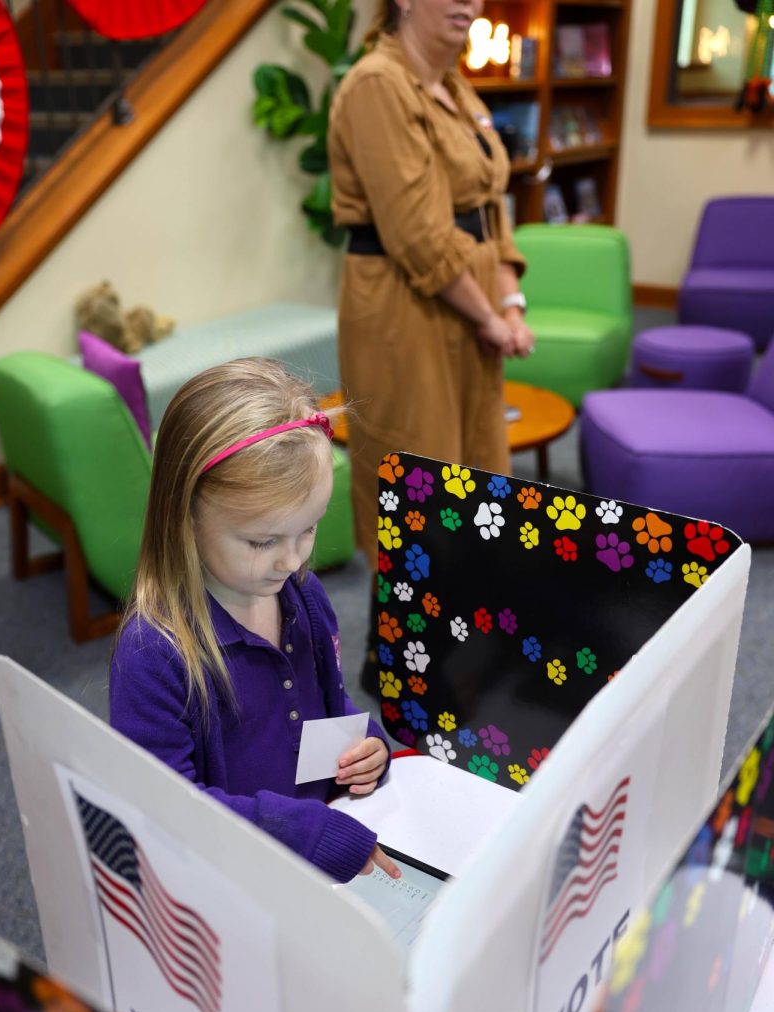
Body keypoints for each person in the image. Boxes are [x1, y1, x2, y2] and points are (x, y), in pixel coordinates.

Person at [110, 358, 399, 885]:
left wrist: (369, 746)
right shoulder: (154, 653)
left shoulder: (304, 597)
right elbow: (162, 807)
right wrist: (302, 832)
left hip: (322, 858)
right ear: (186, 516)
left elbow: (328, 708)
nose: (292, 561)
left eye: (308, 530)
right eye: (263, 541)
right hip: (228, 883)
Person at [328, 0, 534, 690]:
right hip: (403, 307)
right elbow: (415, 232)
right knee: (415, 478)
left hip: (467, 304)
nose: (468, 4)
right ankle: (392, 658)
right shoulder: (377, 85)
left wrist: (508, 302)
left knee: (477, 468)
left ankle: (452, 636)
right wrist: (489, 318)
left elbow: (491, 209)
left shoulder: (456, 85)